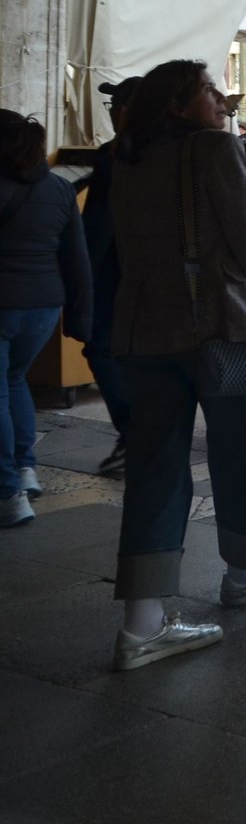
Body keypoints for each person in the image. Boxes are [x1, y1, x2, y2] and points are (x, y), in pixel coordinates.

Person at [107, 61, 246, 670]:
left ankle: (141, 623)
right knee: (237, 447)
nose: (221, 99)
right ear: (178, 104)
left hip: (144, 326)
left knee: (155, 467)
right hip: (216, 323)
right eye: (207, 89)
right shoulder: (214, 150)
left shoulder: (124, 155)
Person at [0, 110, 92, 528]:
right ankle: (24, 468)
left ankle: (9, 494)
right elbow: (77, 259)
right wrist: (79, 314)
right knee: (14, 380)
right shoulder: (58, 189)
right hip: (43, 307)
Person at [81, 77, 143, 477]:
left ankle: (136, 433)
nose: (112, 113)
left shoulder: (114, 154)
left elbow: (98, 225)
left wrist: (81, 274)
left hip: (115, 271)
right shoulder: (181, 151)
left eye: (115, 105)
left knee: (101, 349)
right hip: (154, 273)